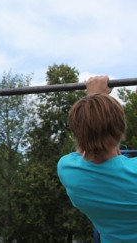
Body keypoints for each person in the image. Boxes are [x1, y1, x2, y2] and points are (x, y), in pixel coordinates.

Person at [57, 75, 137, 242]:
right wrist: (96, 99)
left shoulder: (69, 171)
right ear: (121, 128)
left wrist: (94, 101)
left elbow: (85, 145)